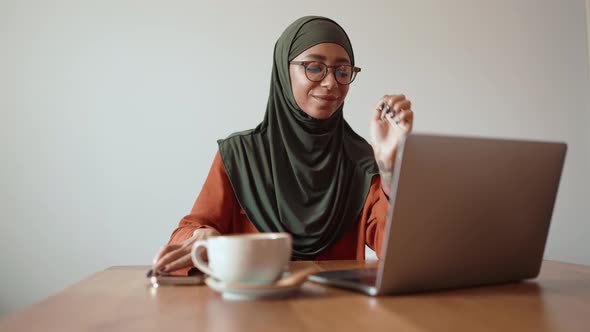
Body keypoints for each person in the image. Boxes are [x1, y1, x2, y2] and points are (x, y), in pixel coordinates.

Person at [152, 16, 413, 275]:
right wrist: (201, 236)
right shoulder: (241, 156)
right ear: (283, 71)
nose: (331, 82)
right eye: (314, 67)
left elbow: (398, 251)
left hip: (336, 309)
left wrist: (390, 166)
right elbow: (186, 235)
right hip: (252, 309)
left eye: (342, 71)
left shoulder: (361, 161)